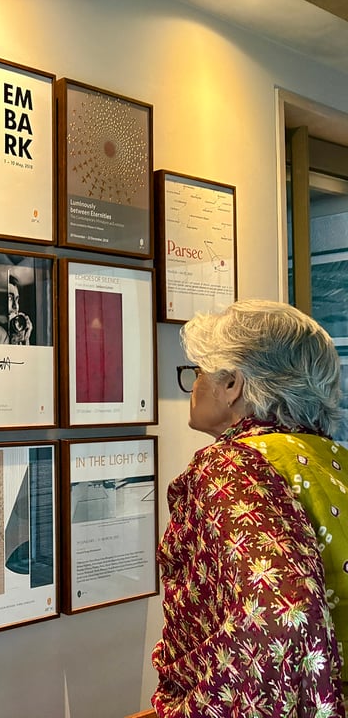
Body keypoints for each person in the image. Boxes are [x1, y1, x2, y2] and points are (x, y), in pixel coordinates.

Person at [152, 299, 347, 717]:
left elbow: (282, 617)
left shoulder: (234, 465)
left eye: (198, 372)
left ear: (232, 385)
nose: (194, 386)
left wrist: (196, 708)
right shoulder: (332, 459)